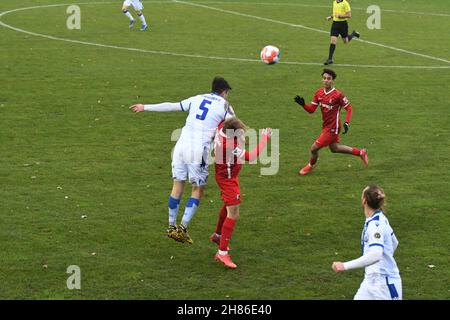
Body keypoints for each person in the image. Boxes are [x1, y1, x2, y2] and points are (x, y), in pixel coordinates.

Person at [130, 76, 235, 244]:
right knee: (197, 189)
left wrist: (145, 107)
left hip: (180, 146)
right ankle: (182, 229)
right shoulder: (225, 106)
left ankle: (171, 226)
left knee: (178, 185)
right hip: (197, 150)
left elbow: (172, 105)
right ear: (224, 92)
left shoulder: (197, 98)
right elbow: (233, 128)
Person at [210, 118, 271, 269]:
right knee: (234, 213)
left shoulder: (220, 129)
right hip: (227, 179)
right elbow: (251, 157)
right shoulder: (229, 145)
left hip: (225, 174)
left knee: (229, 205)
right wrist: (264, 138)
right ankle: (222, 253)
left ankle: (217, 236)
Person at [332, 185, 402, 300]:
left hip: (384, 286)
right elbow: (395, 242)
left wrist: (344, 266)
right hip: (370, 281)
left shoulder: (375, 225)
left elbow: (376, 254)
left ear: (364, 200)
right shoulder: (379, 219)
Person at [293, 68, 368, 175]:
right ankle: (361, 152)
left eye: (329, 79)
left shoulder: (338, 95)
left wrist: (347, 122)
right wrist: (303, 105)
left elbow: (349, 108)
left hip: (333, 127)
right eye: (324, 78)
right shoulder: (319, 93)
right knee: (335, 148)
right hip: (326, 126)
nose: (326, 80)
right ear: (322, 80)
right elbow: (311, 110)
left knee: (314, 149)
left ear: (333, 80)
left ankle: (311, 165)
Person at [324, 0, 360, 65]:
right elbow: (335, 13)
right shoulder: (334, 2)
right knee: (333, 41)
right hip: (335, 24)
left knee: (345, 41)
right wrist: (331, 17)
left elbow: (349, 15)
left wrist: (341, 16)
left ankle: (353, 33)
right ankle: (330, 59)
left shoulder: (345, 3)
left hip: (343, 24)